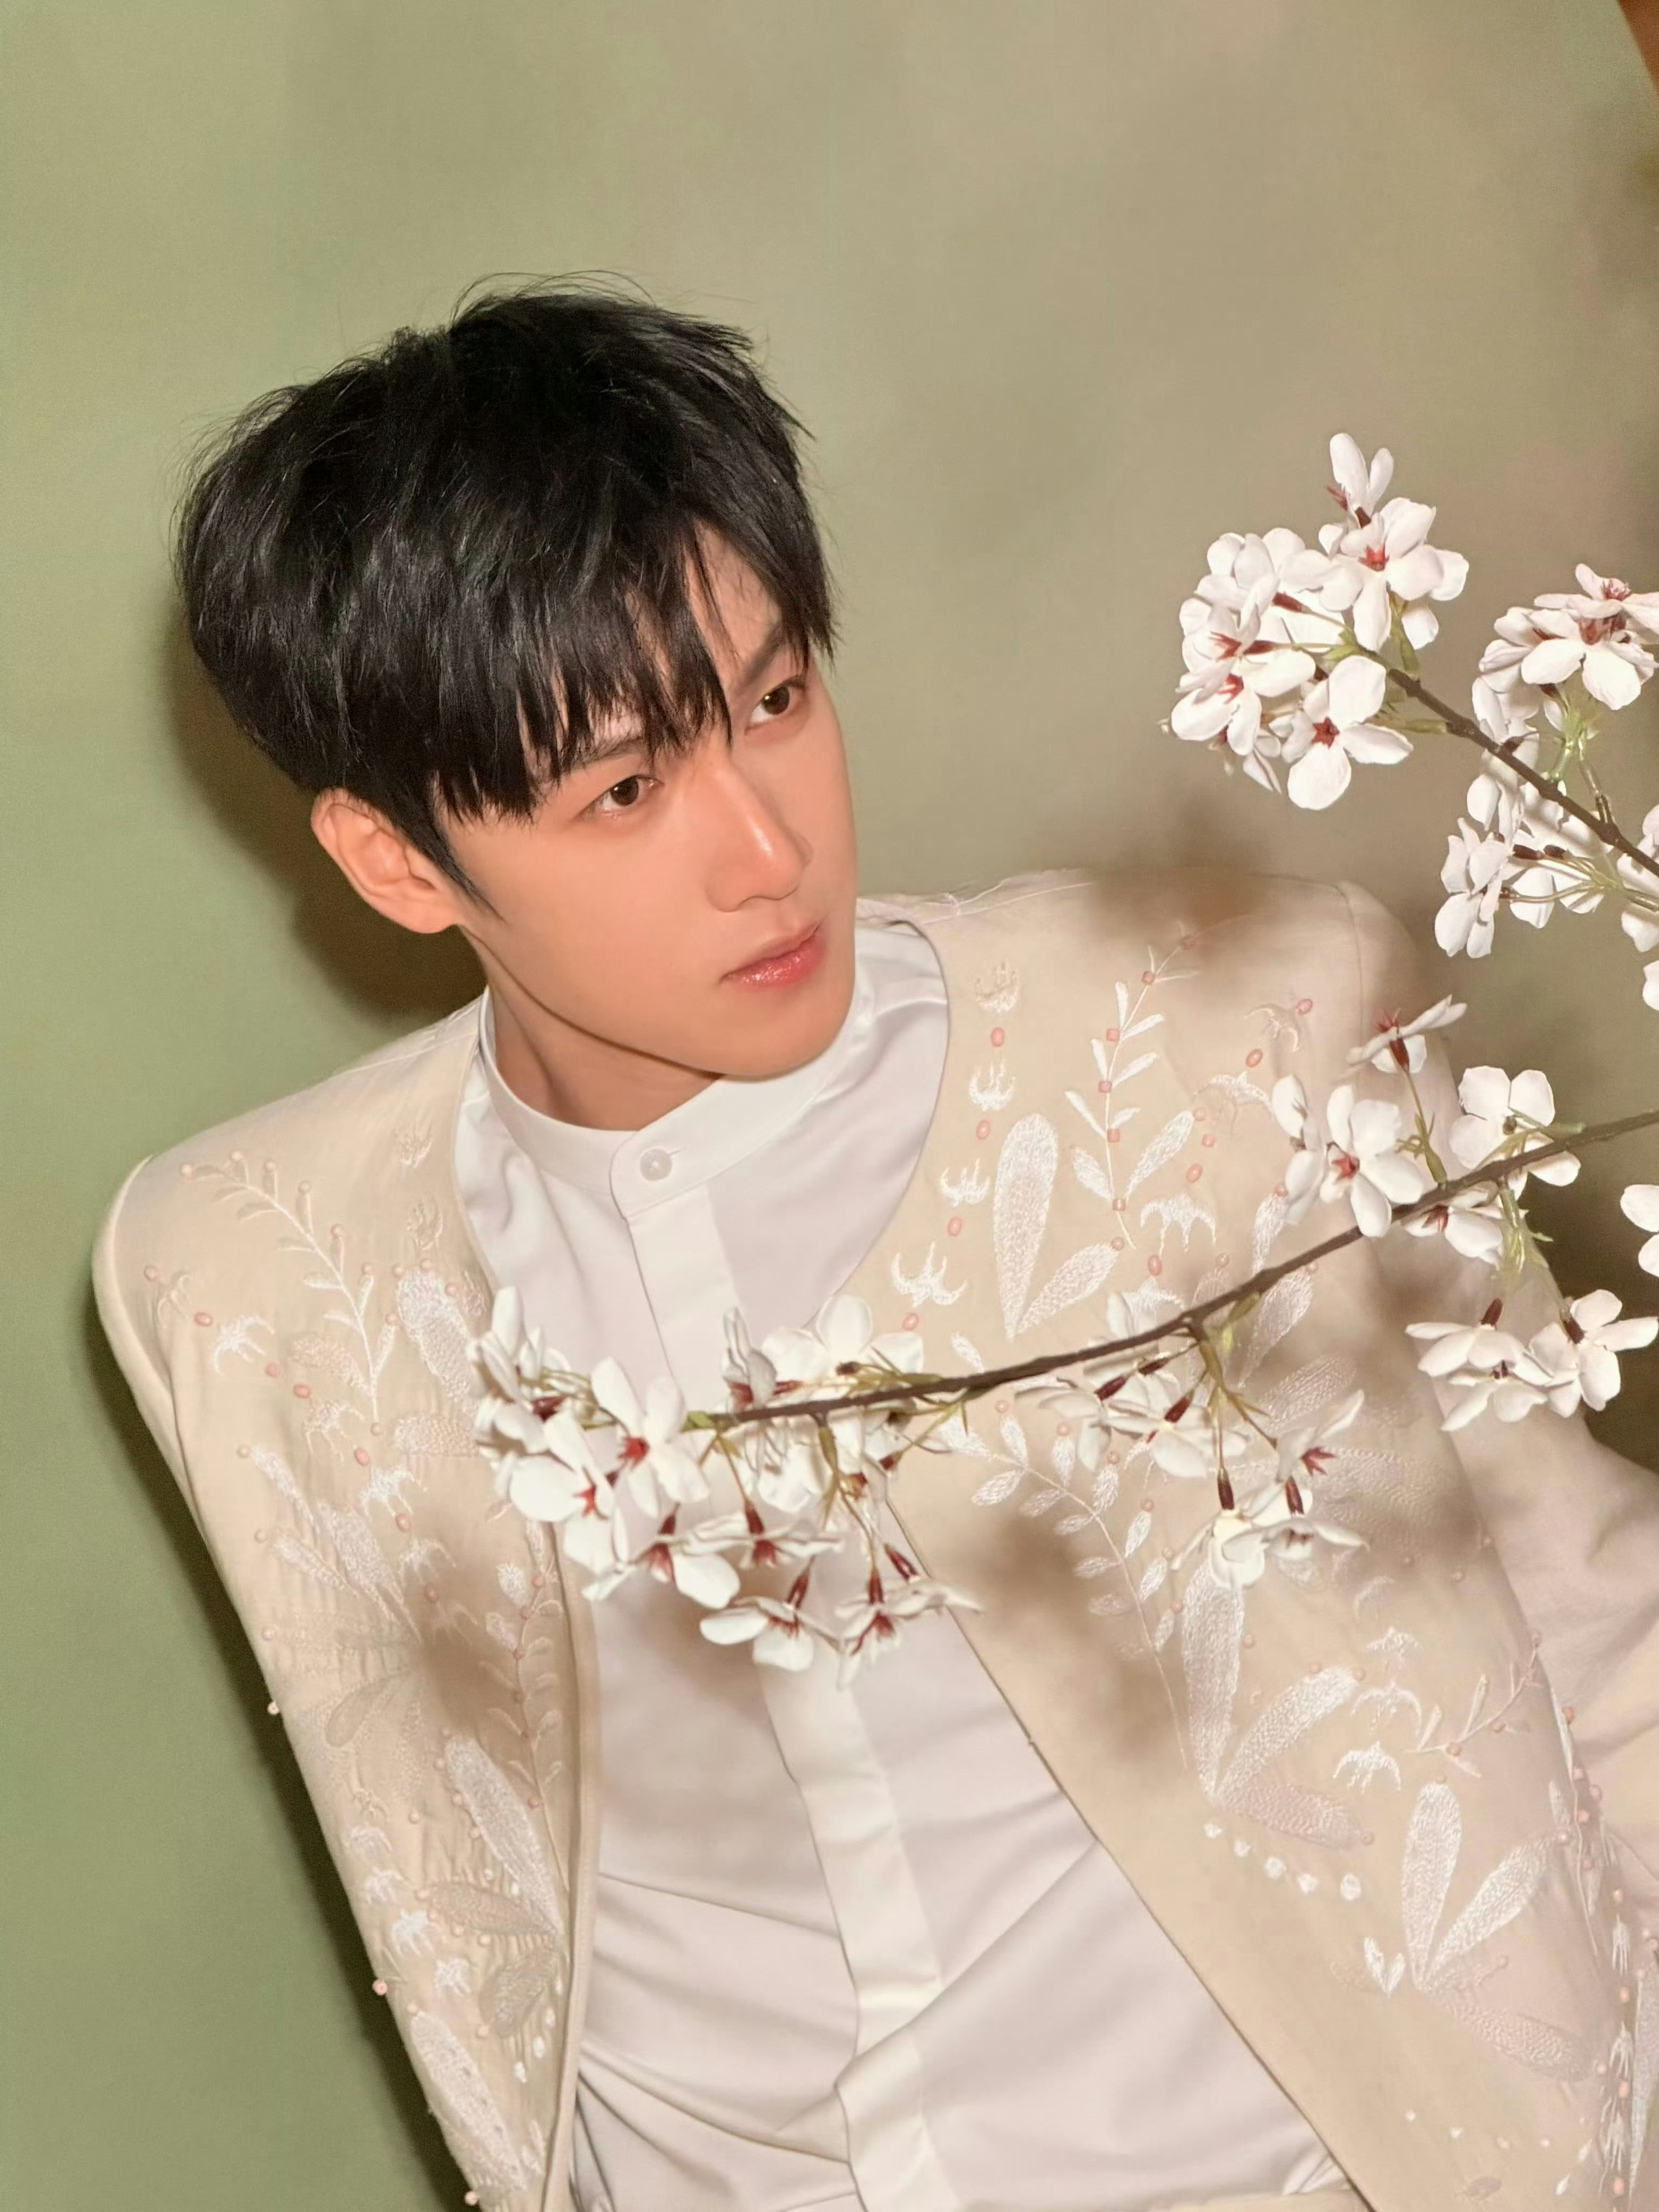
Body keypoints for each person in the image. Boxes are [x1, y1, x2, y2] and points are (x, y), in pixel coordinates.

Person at [95, 283, 1659, 2212]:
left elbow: (1603, 1631)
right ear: (401, 863)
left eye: (775, 702)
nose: (768, 851)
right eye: (625, 790)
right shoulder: (239, 1279)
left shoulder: (1235, 1039)